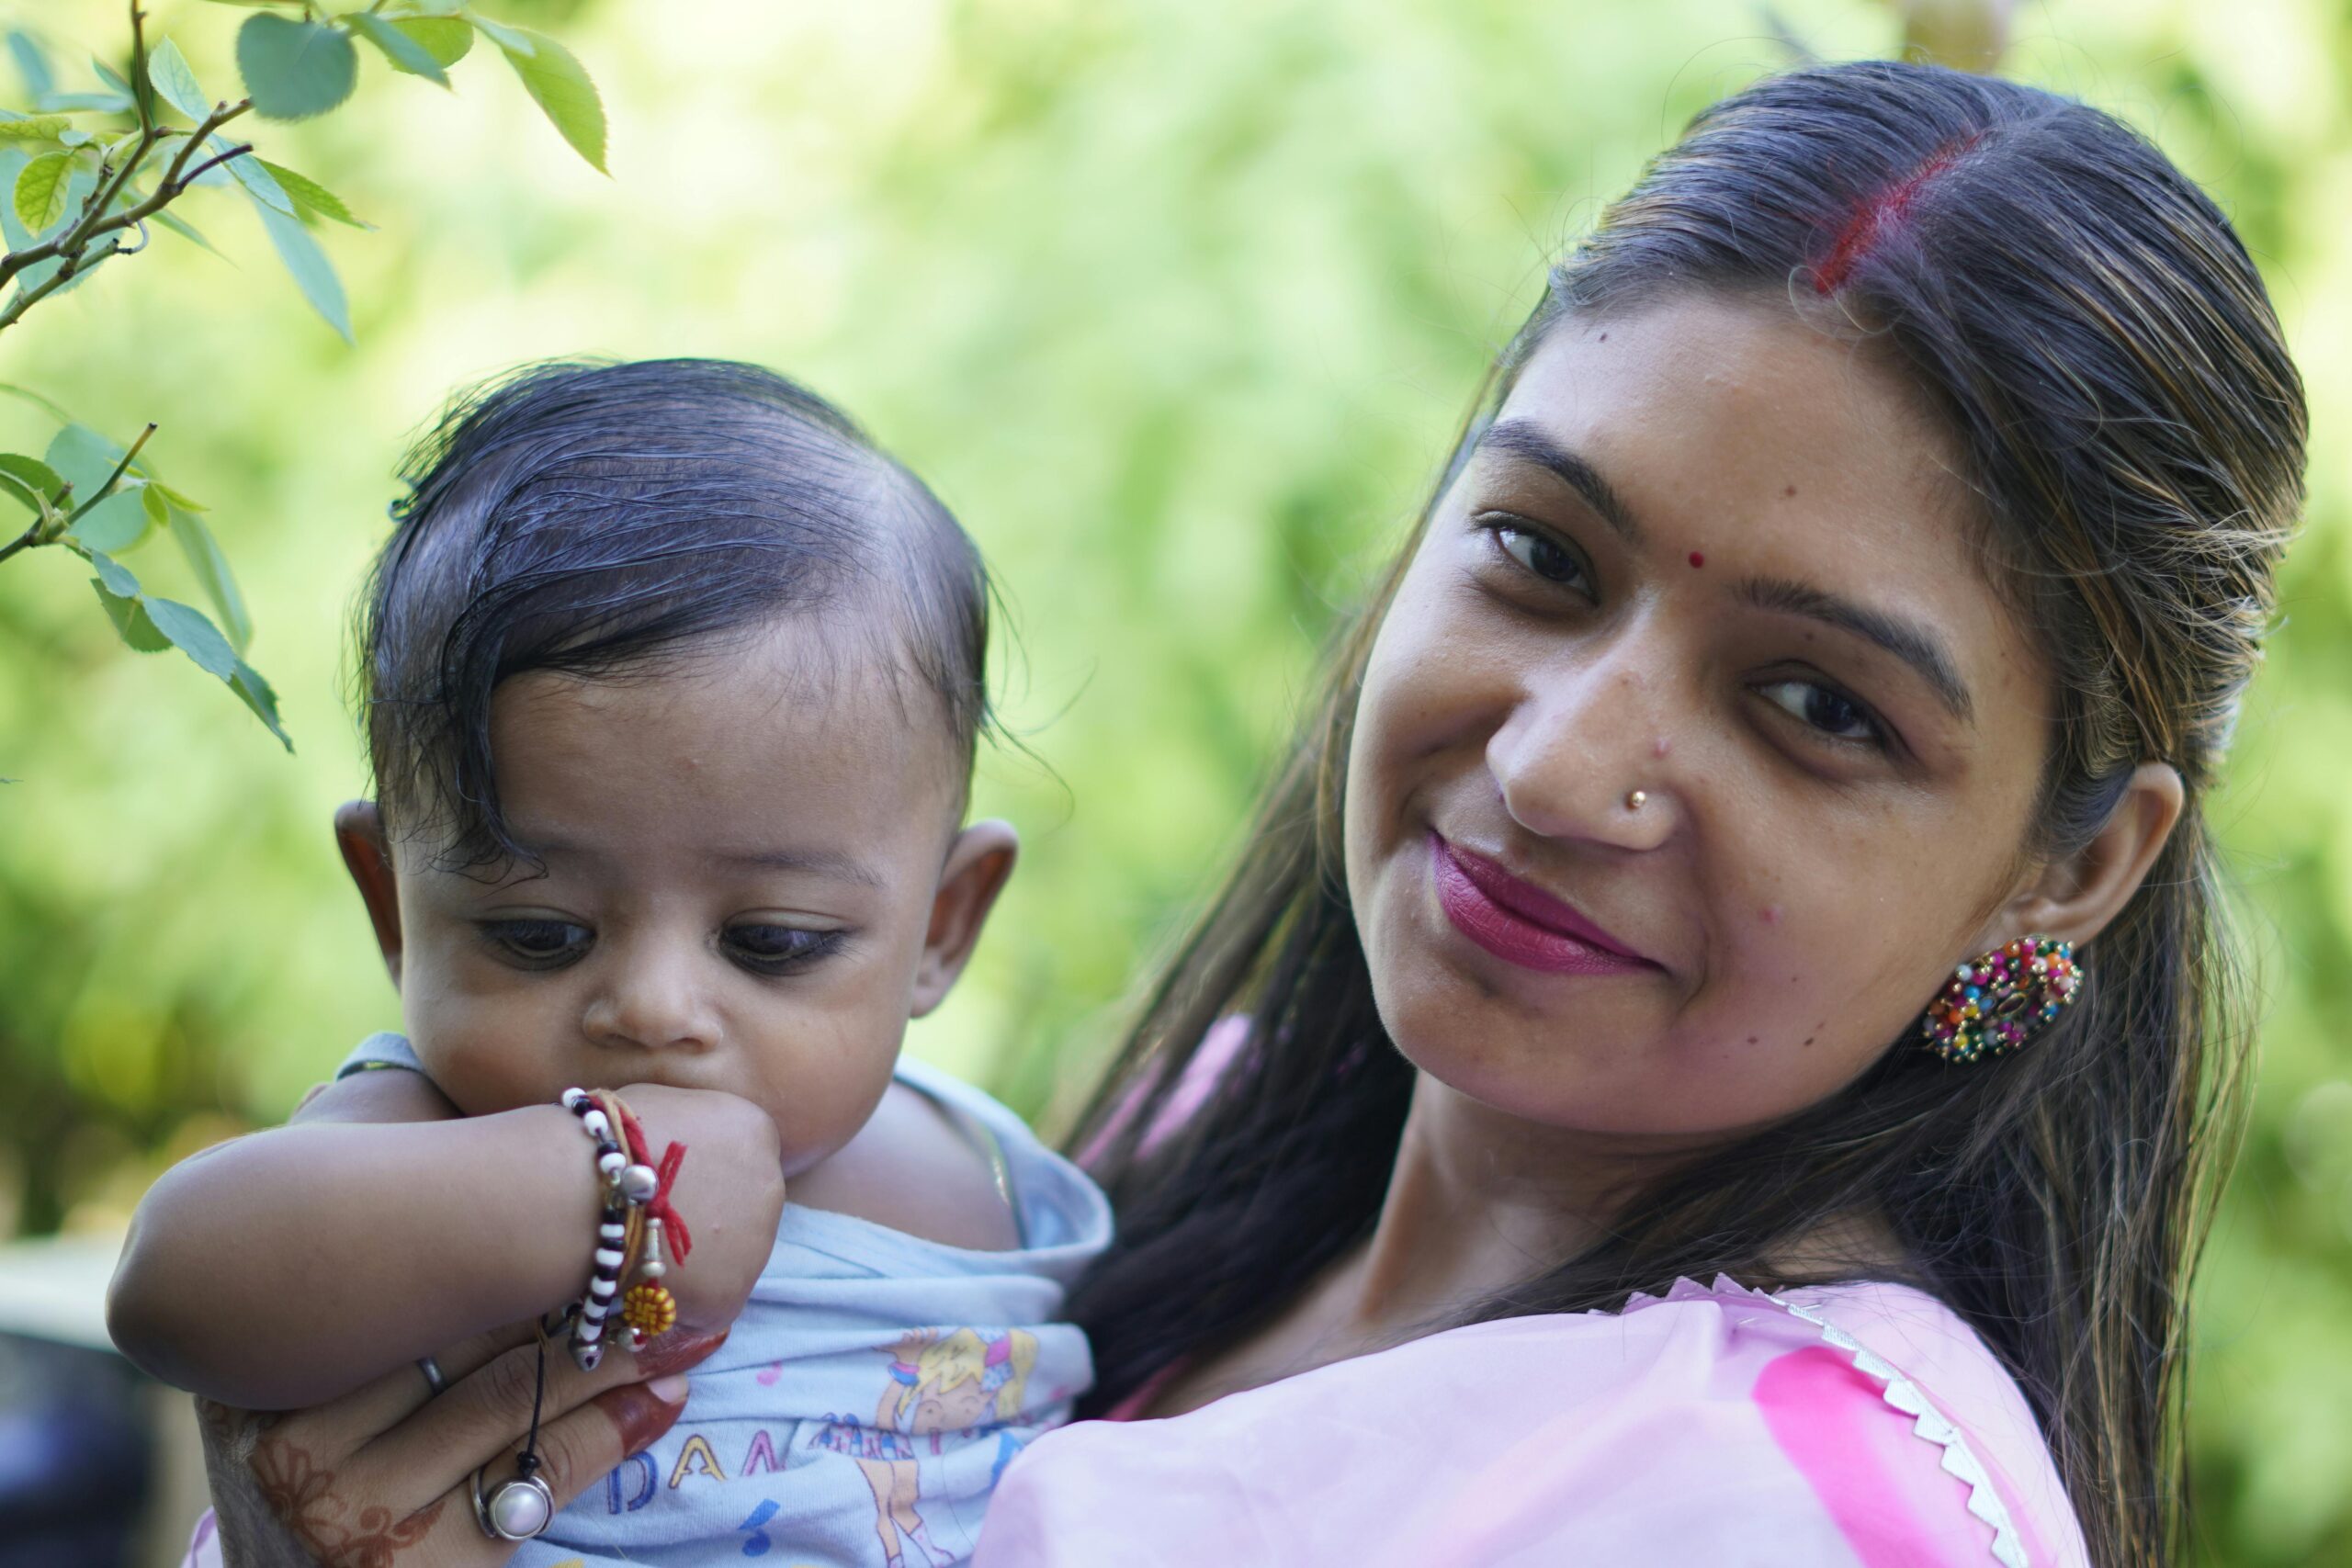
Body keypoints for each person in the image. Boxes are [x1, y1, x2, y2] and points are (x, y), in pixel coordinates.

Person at [182, 59, 2303, 1568]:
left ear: (2067, 862)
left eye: (1811, 702)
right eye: (1539, 556)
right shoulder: (1160, 1175)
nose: (1560, 760)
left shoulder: (1786, 1506)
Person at [109, 359, 1112, 1568]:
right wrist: (592, 1191)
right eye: (539, 935)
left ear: (942, 927)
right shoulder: (421, 1139)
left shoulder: (985, 1176)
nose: (652, 1006)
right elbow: (174, 1283)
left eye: (773, 943)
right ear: (393, 902)